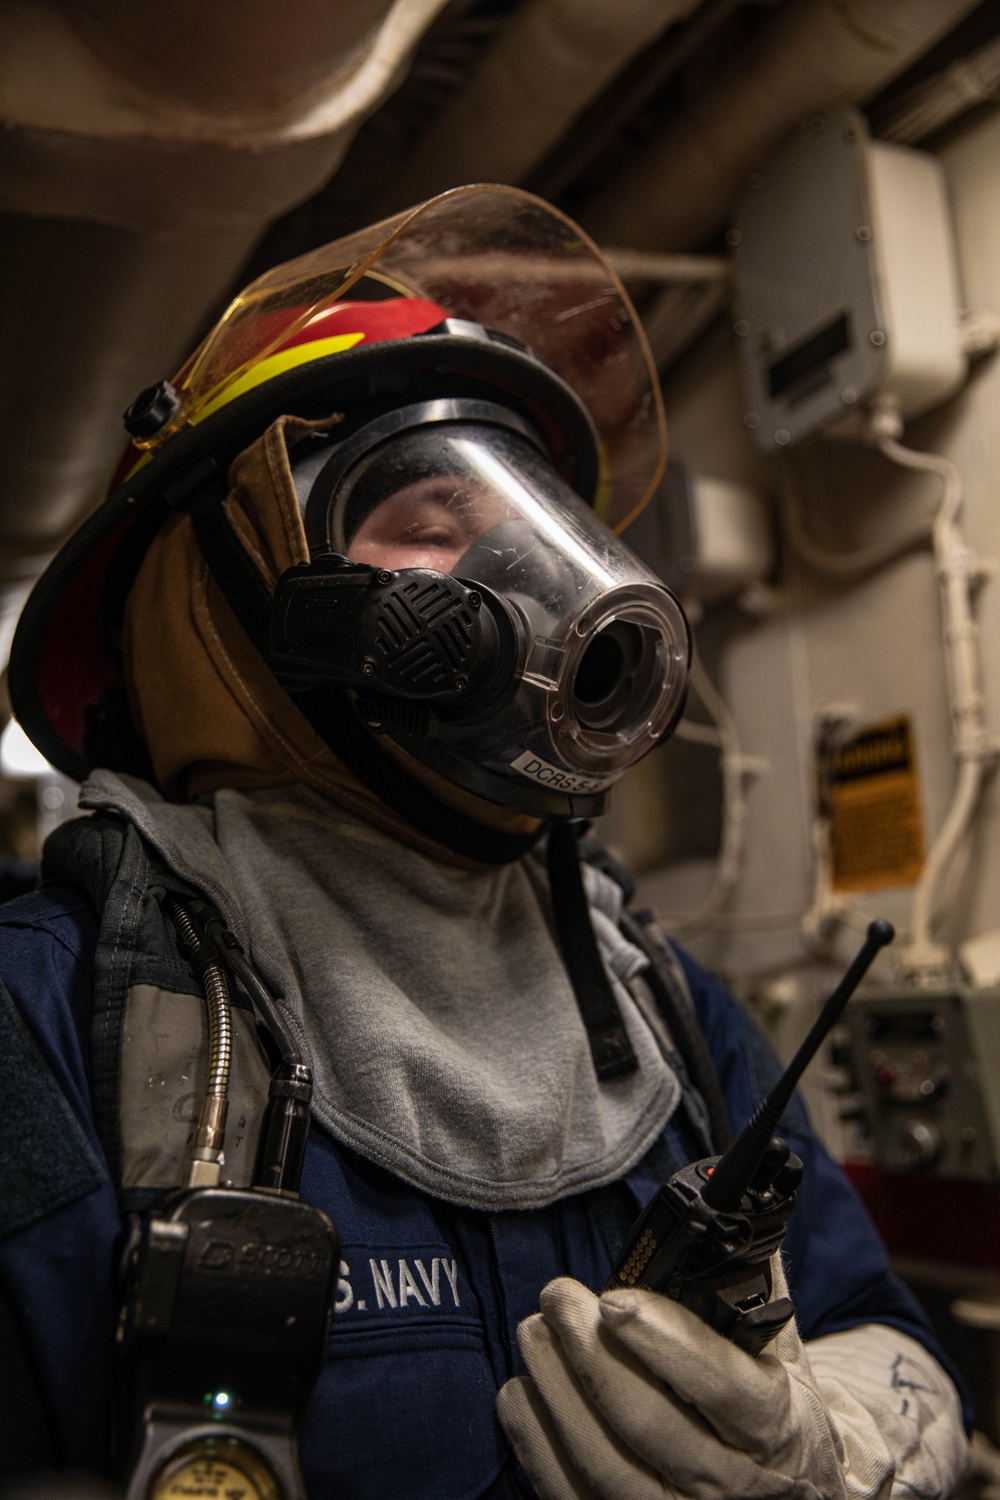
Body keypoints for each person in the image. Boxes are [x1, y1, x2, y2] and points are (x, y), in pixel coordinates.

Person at [0, 186, 970, 1500]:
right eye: (431, 524)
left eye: (535, 528)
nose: (531, 584)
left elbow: (884, 1333)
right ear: (223, 601)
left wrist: (832, 1449)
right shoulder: (50, 1019)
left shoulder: (662, 1004)